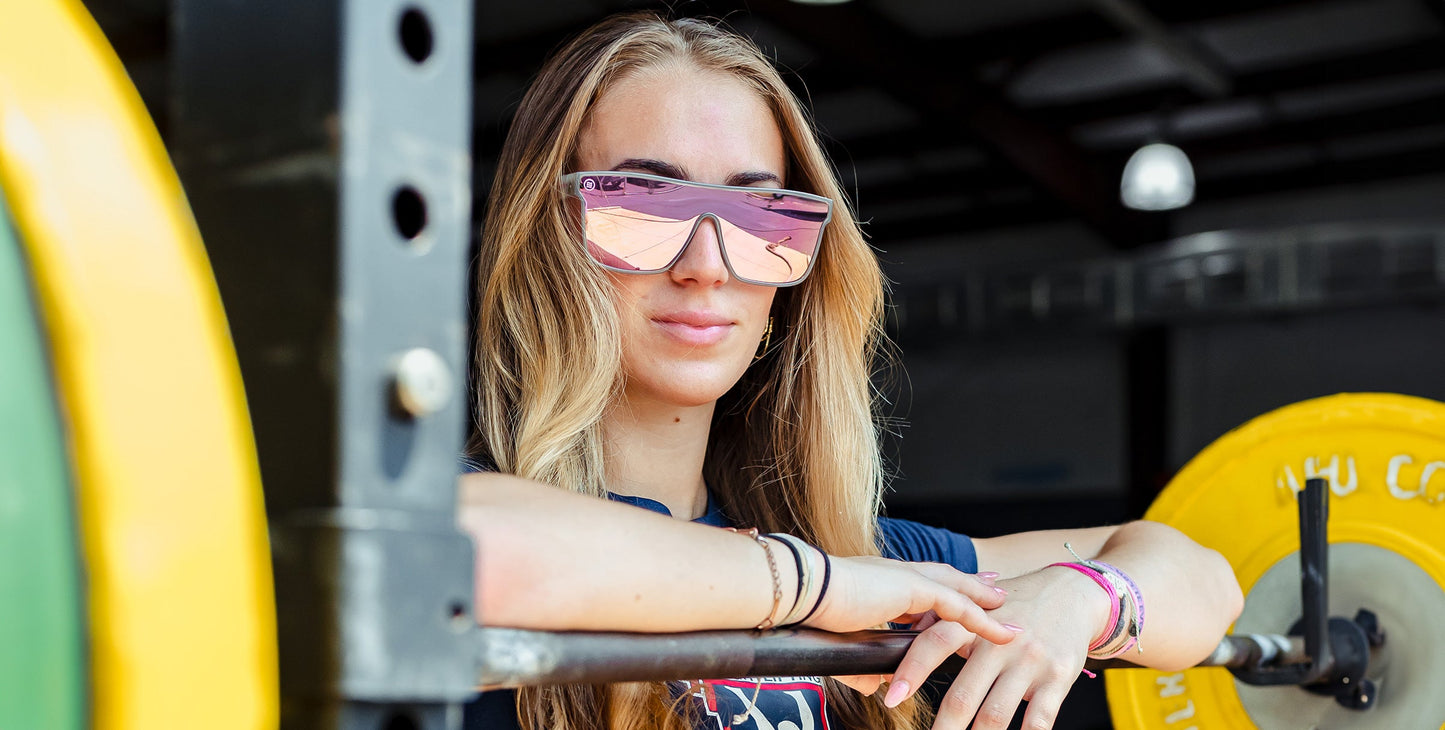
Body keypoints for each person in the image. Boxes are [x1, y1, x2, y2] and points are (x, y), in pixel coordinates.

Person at [459, 12, 1243, 730]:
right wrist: (819, 588)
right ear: (544, 238)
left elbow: (1198, 572)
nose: (708, 265)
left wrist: (1088, 598)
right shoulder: (844, 578)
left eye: (760, 216)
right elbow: (471, 546)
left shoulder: (862, 558)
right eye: (643, 205)